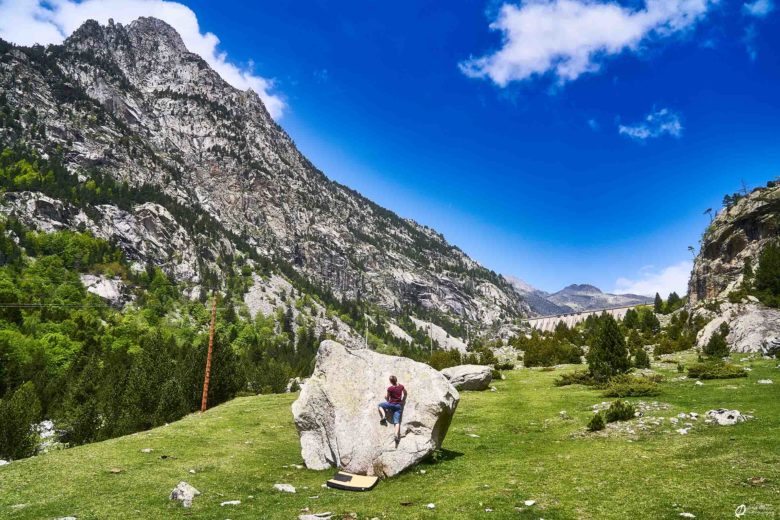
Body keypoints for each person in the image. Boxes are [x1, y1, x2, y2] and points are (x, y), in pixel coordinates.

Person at [377, 375, 406, 442]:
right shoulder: (401, 386)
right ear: (396, 379)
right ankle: (396, 435)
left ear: (390, 382)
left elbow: (387, 398)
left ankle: (384, 416)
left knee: (380, 405)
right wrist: (403, 400)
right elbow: (405, 393)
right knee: (397, 422)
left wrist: (385, 397)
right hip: (398, 406)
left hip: (391, 404)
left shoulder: (390, 388)